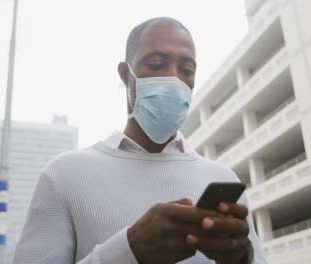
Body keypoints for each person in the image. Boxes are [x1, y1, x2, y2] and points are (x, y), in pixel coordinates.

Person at [13, 17, 267, 264]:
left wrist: (241, 258)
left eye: (187, 70)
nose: (174, 79)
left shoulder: (223, 179)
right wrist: (129, 250)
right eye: (156, 65)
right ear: (125, 74)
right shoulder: (64, 175)